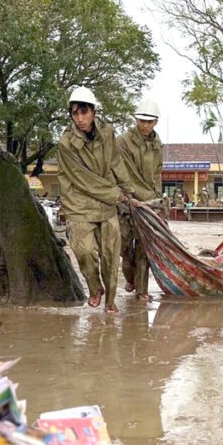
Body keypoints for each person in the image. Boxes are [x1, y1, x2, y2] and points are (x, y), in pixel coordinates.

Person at [56, 86, 134, 313]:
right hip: (79, 203)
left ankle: (110, 300)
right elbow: (83, 180)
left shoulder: (108, 133)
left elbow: (115, 162)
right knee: (85, 251)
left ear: (93, 112)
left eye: (84, 112)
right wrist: (115, 194)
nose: (80, 119)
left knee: (111, 252)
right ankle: (94, 287)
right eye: (75, 114)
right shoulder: (65, 144)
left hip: (106, 204)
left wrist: (127, 190)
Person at [117, 97, 164, 303]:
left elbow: (158, 172)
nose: (145, 125)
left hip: (150, 203)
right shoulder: (123, 142)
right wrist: (128, 196)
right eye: (142, 120)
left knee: (144, 248)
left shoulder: (157, 144)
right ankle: (131, 278)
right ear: (136, 120)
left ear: (155, 122)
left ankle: (141, 290)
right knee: (125, 248)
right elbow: (119, 172)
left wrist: (158, 200)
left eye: (149, 121)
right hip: (127, 202)